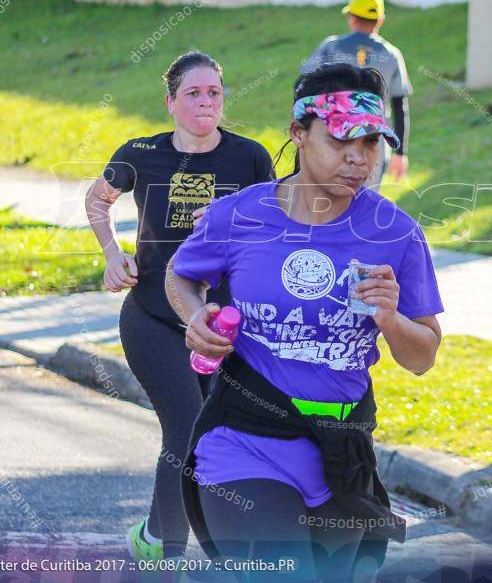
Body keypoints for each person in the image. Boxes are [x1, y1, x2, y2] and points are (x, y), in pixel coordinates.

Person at [166, 63, 443, 581]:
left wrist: (390, 317)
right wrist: (195, 316)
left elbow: (423, 356)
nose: (358, 158)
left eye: (370, 142)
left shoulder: (396, 232)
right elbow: (181, 276)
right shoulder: (238, 214)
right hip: (245, 442)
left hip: (340, 453)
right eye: (341, 141)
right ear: (298, 133)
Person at [84, 51, 274, 564]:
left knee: (211, 435)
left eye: (214, 91)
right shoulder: (140, 153)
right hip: (154, 319)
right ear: (170, 102)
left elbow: (270, 230)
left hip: (222, 327)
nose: (206, 101)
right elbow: (96, 200)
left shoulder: (250, 158)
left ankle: (150, 534)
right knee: (188, 426)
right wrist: (111, 253)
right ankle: (169, 561)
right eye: (193, 93)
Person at [300, 0, 413, 186]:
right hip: (372, 140)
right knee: (365, 203)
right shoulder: (391, 54)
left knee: (328, 201)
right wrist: (400, 152)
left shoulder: (331, 47)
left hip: (331, 137)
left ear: (352, 18)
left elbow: (304, 87)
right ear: (380, 20)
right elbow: (399, 104)